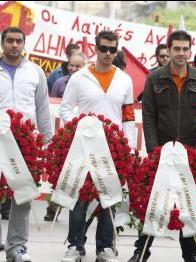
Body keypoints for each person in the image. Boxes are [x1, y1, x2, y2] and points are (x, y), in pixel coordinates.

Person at [128, 30, 196, 262]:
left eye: (185, 49)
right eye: (177, 49)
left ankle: (191, 254)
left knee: (187, 203)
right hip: (161, 153)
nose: (181, 53)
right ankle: (140, 251)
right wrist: (155, 152)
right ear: (169, 49)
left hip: (189, 155)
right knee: (154, 203)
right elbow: (149, 118)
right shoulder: (154, 78)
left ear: (190, 50)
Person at [0, 26, 52, 262]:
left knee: (23, 195)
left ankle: (17, 247)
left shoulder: (36, 72)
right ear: (2, 43)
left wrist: (46, 143)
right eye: (9, 41)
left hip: (27, 144)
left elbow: (42, 109)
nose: (14, 45)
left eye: (18, 41)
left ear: (24, 43)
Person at [59, 30, 136, 262]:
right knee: (80, 198)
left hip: (114, 150)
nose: (108, 54)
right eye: (103, 48)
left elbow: (128, 117)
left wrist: (129, 146)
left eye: (113, 50)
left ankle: (104, 248)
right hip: (83, 147)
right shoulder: (79, 77)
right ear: (95, 48)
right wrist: (77, 129)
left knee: (109, 197)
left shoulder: (125, 80)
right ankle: (75, 245)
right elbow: (64, 109)